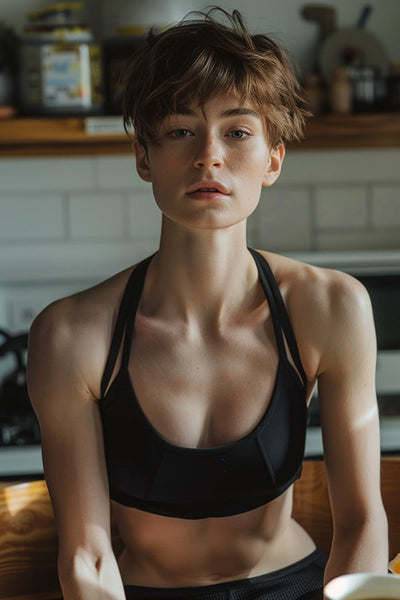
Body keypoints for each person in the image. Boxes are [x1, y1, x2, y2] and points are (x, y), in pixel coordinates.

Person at [27, 8, 388, 600]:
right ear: (144, 156)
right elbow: (87, 559)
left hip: (297, 588)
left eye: (238, 131)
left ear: (273, 159)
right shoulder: (71, 336)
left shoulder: (332, 307)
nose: (209, 156)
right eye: (179, 131)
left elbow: (362, 524)